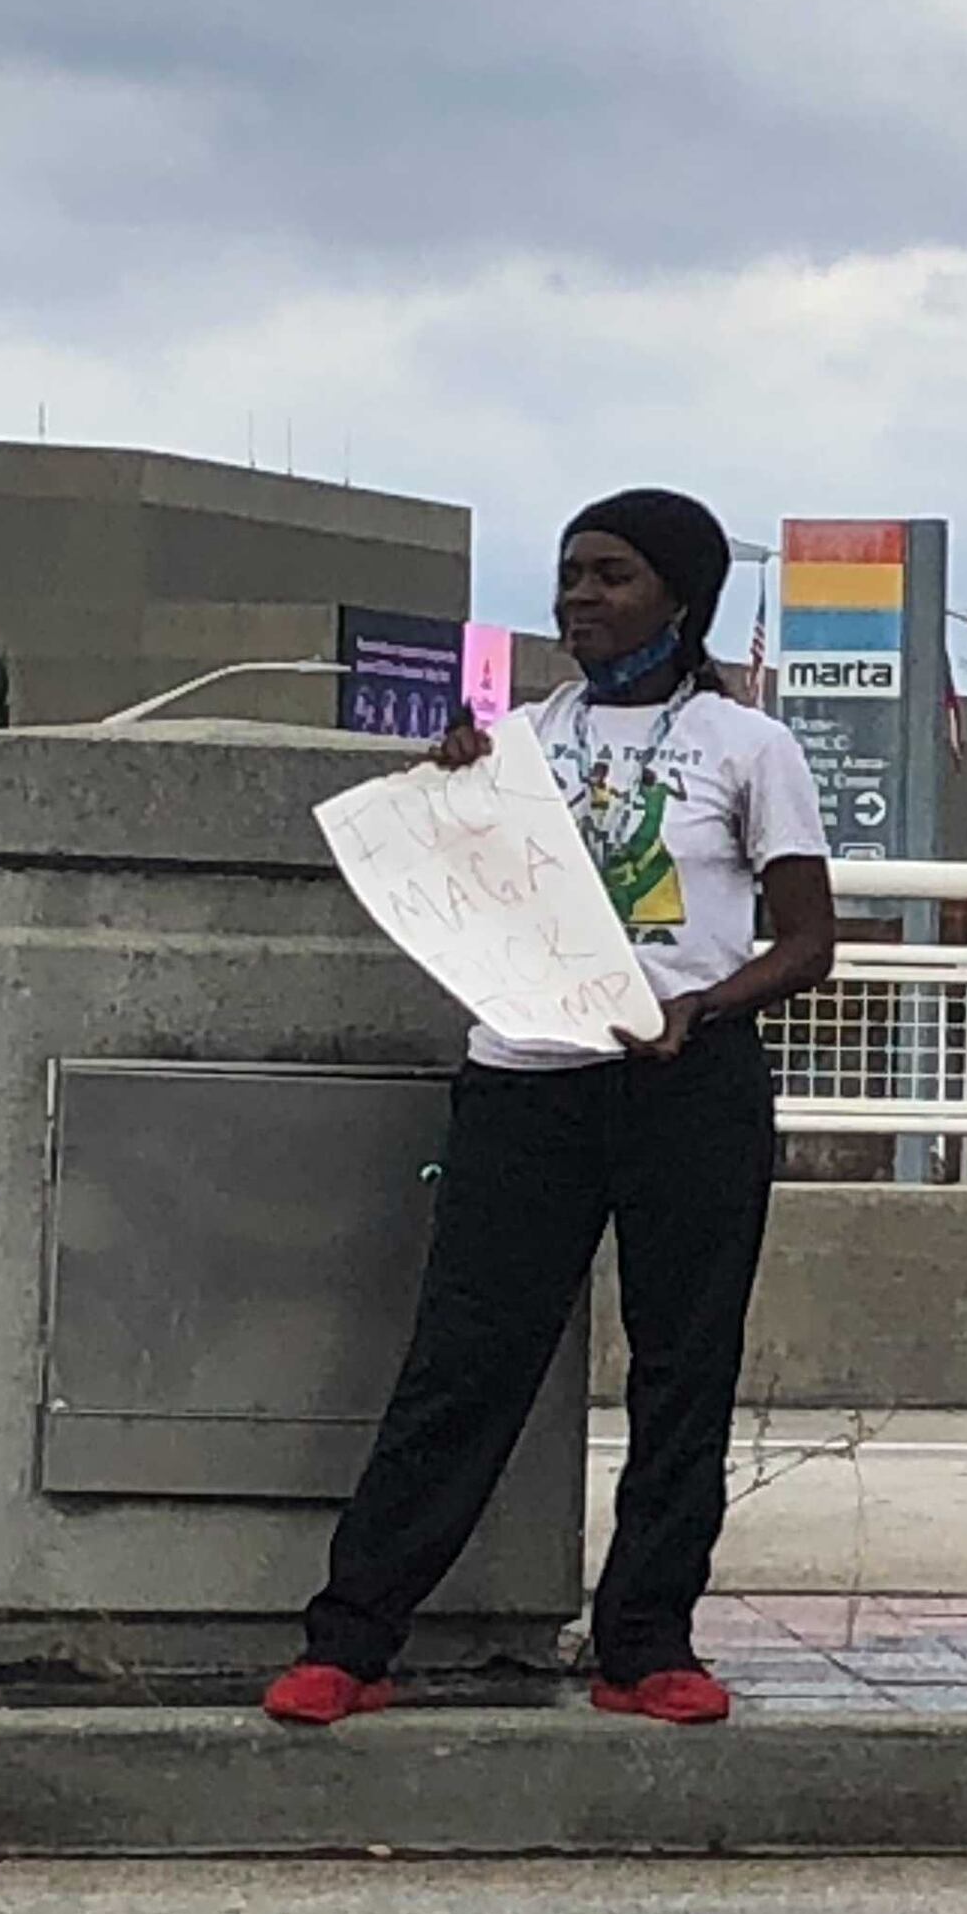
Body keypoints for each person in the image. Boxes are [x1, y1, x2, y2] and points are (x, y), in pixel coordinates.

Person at [263, 489, 838, 1728]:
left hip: (688, 1087)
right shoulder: (515, 741)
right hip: (527, 1084)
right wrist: (448, 797)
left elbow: (808, 941)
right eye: (570, 572)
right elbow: (464, 894)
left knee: (684, 1372)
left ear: (681, 598)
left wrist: (706, 1009)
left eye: (612, 574)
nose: (580, 595)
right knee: (464, 1362)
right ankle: (352, 1639)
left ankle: (645, 1645)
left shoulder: (750, 751)